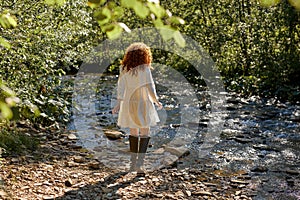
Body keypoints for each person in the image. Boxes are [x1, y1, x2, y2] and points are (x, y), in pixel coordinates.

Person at [112, 42, 162, 176]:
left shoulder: (123, 68)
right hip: (143, 102)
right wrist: (156, 100)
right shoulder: (145, 69)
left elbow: (121, 87)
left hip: (129, 102)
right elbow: (150, 87)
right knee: (145, 132)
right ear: (144, 56)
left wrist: (118, 103)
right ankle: (140, 165)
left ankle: (133, 164)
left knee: (133, 132)